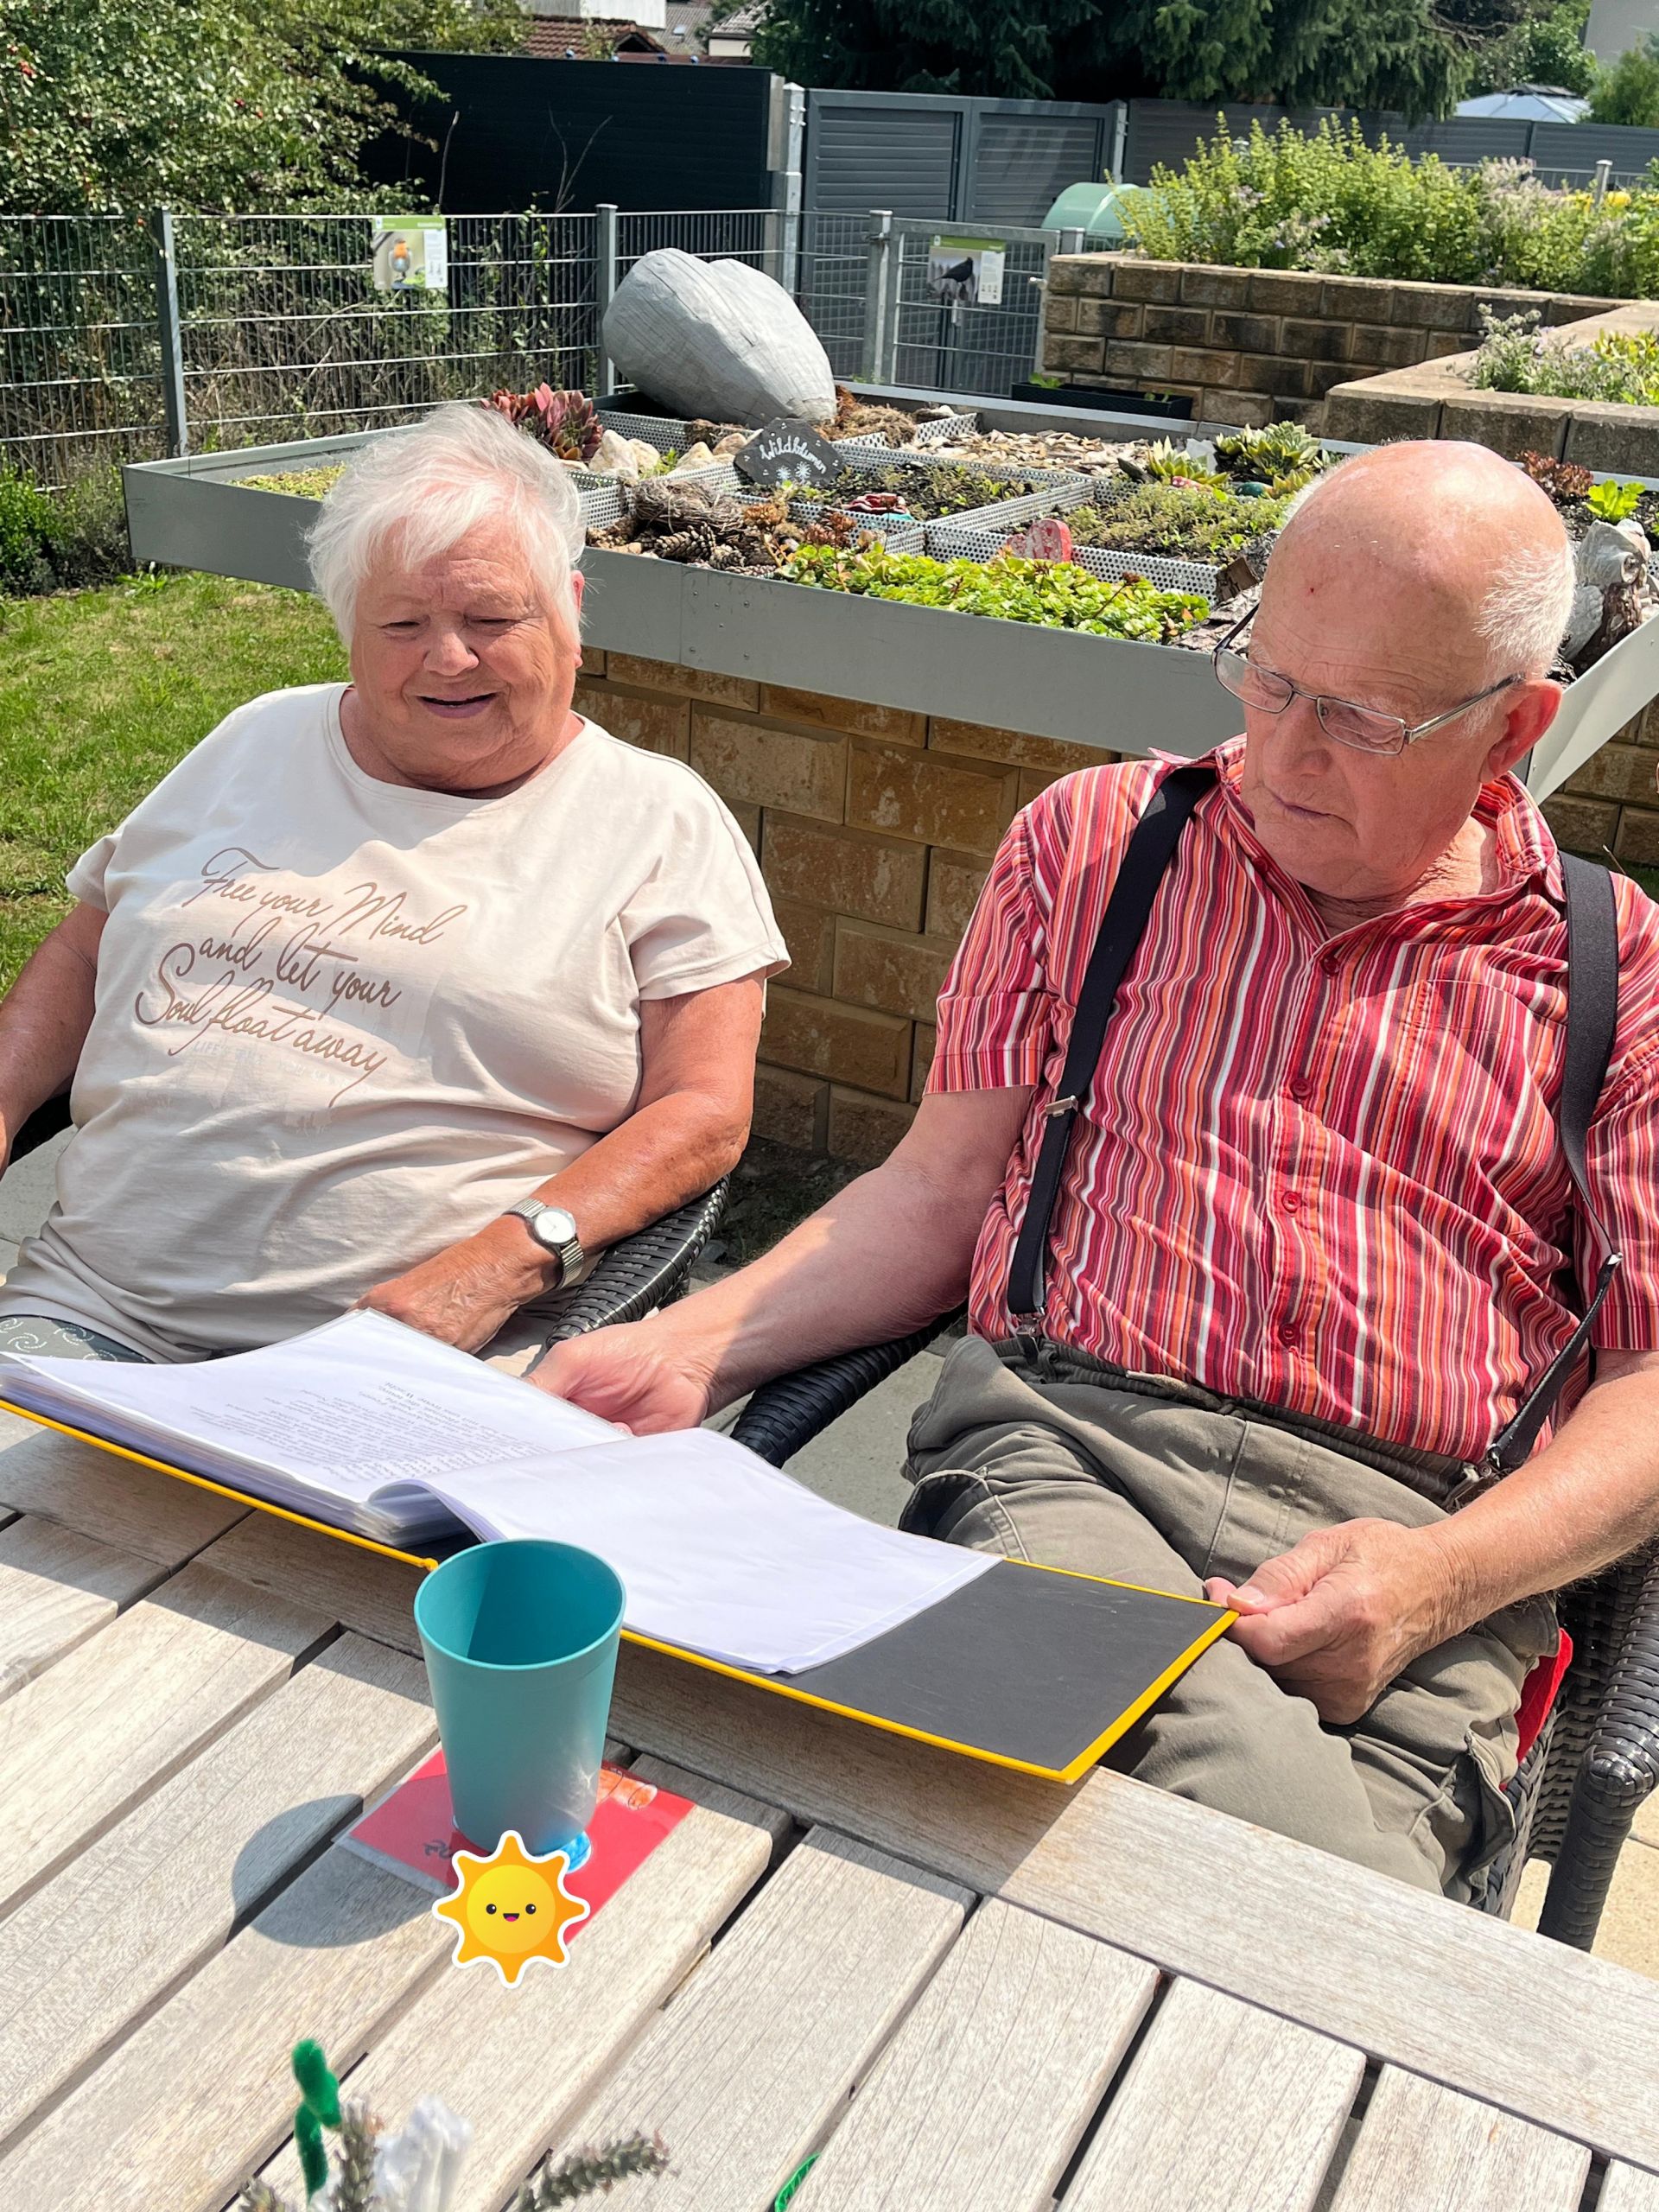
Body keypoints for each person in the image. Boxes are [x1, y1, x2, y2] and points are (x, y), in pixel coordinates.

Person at [536, 440, 1659, 1899]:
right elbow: (938, 1193)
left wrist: (1440, 1580)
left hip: (1423, 1547)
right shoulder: (1093, 849)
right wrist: (687, 1347)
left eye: (1362, 719)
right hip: (1076, 1454)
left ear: (1515, 726)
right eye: (1268, 676)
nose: (1285, 752)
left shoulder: (1621, 973)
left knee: (1206, 1895)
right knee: (1277, 1866)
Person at [0, 404, 786, 1366]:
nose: (448, 658)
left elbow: (704, 1109)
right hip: (90, 1313)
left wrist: (502, 1263)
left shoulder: (657, 820)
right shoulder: (256, 740)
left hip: (409, 1358)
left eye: (491, 619)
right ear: (349, 632)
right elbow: (87, 945)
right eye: (403, 623)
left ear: (571, 610)